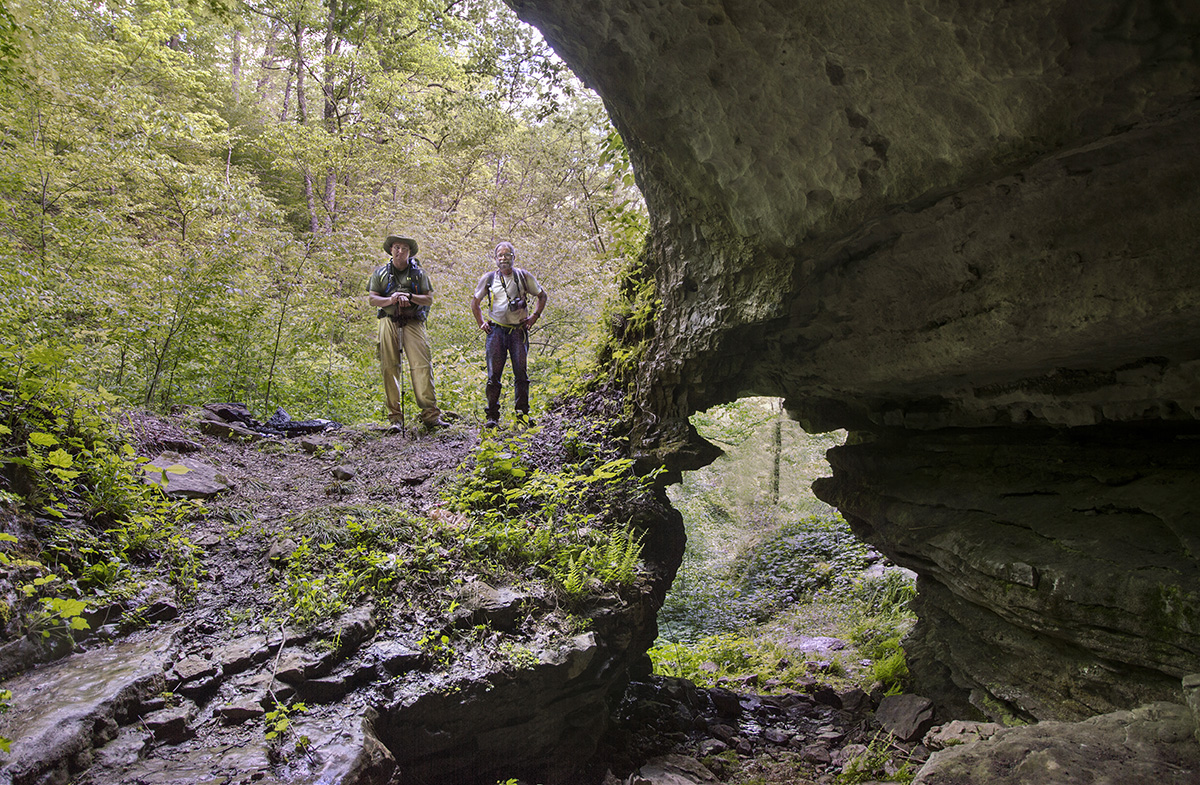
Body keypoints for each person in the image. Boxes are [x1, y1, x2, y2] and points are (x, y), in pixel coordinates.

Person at [367, 234, 449, 431]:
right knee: (389, 366)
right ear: (391, 250)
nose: (400, 251)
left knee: (421, 365)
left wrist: (410, 297)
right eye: (396, 247)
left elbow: (428, 299)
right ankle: (395, 418)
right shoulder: (380, 273)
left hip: (413, 322)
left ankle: (430, 415)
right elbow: (372, 298)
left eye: (404, 248)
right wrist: (392, 299)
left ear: (409, 252)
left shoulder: (419, 274)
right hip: (388, 320)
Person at [469, 241, 548, 427]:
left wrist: (534, 317)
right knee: (493, 375)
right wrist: (481, 323)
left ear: (514, 257)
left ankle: (522, 416)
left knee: (521, 374)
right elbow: (475, 302)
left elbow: (542, 295)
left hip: (518, 332)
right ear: (495, 259)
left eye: (507, 255)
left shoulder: (523, 276)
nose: (503, 258)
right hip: (495, 331)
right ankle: (492, 417)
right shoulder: (488, 278)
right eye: (500, 255)